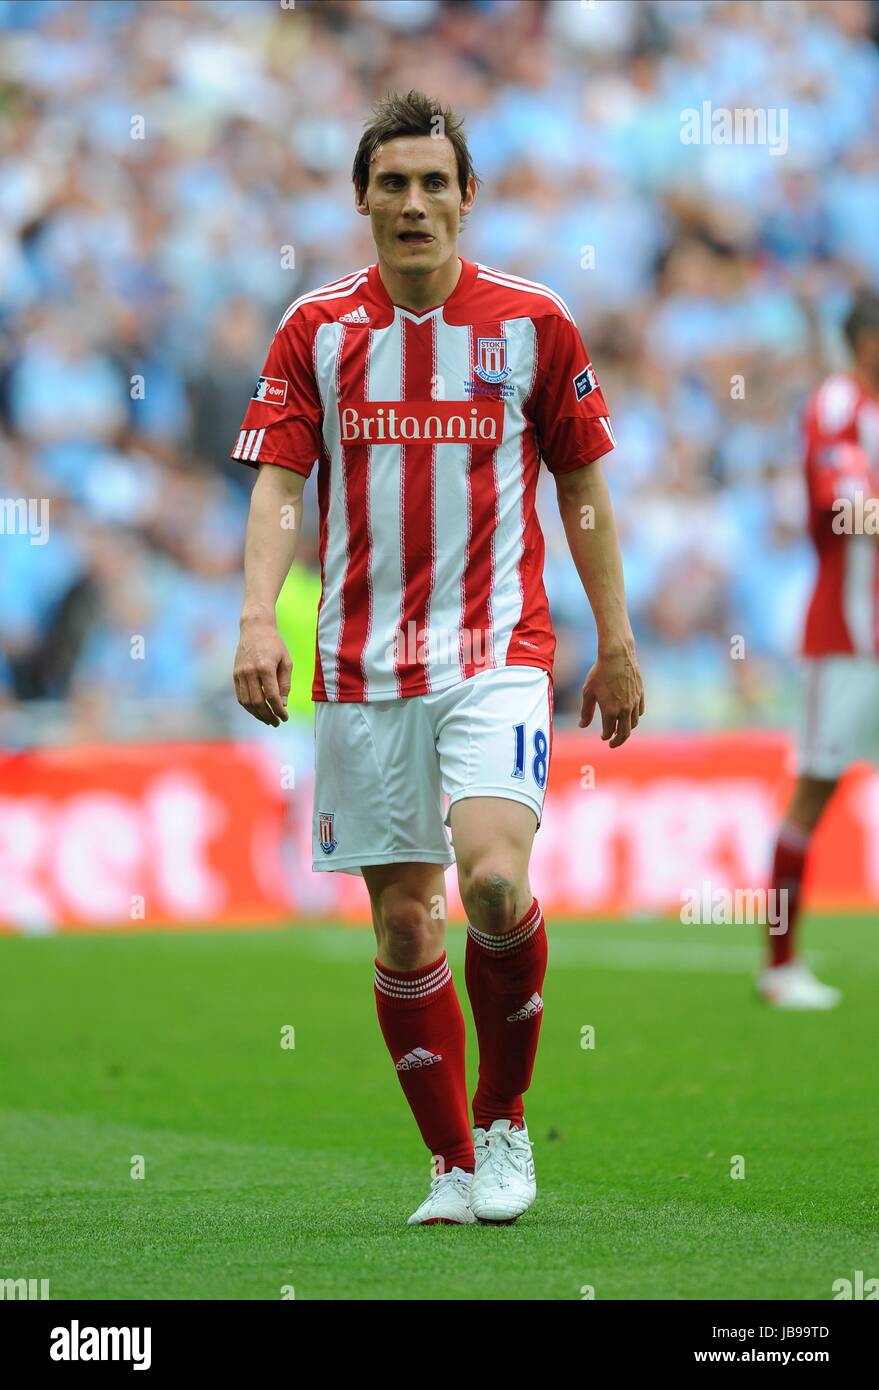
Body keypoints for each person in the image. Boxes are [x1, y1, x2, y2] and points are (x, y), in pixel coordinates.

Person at [232, 90, 644, 1224]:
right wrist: (258, 616)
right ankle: (452, 1162)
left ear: (469, 197)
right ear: (362, 199)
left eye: (433, 183)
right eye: (392, 184)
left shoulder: (534, 322)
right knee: (406, 921)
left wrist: (614, 636)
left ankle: (507, 1123)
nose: (414, 203)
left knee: (496, 880)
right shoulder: (317, 329)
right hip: (362, 667)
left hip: (494, 649)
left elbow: (583, 484)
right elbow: (278, 484)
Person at [763, 291, 879, 1010]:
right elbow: (847, 506)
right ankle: (779, 966)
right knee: (814, 789)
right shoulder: (838, 405)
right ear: (864, 341)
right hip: (847, 638)